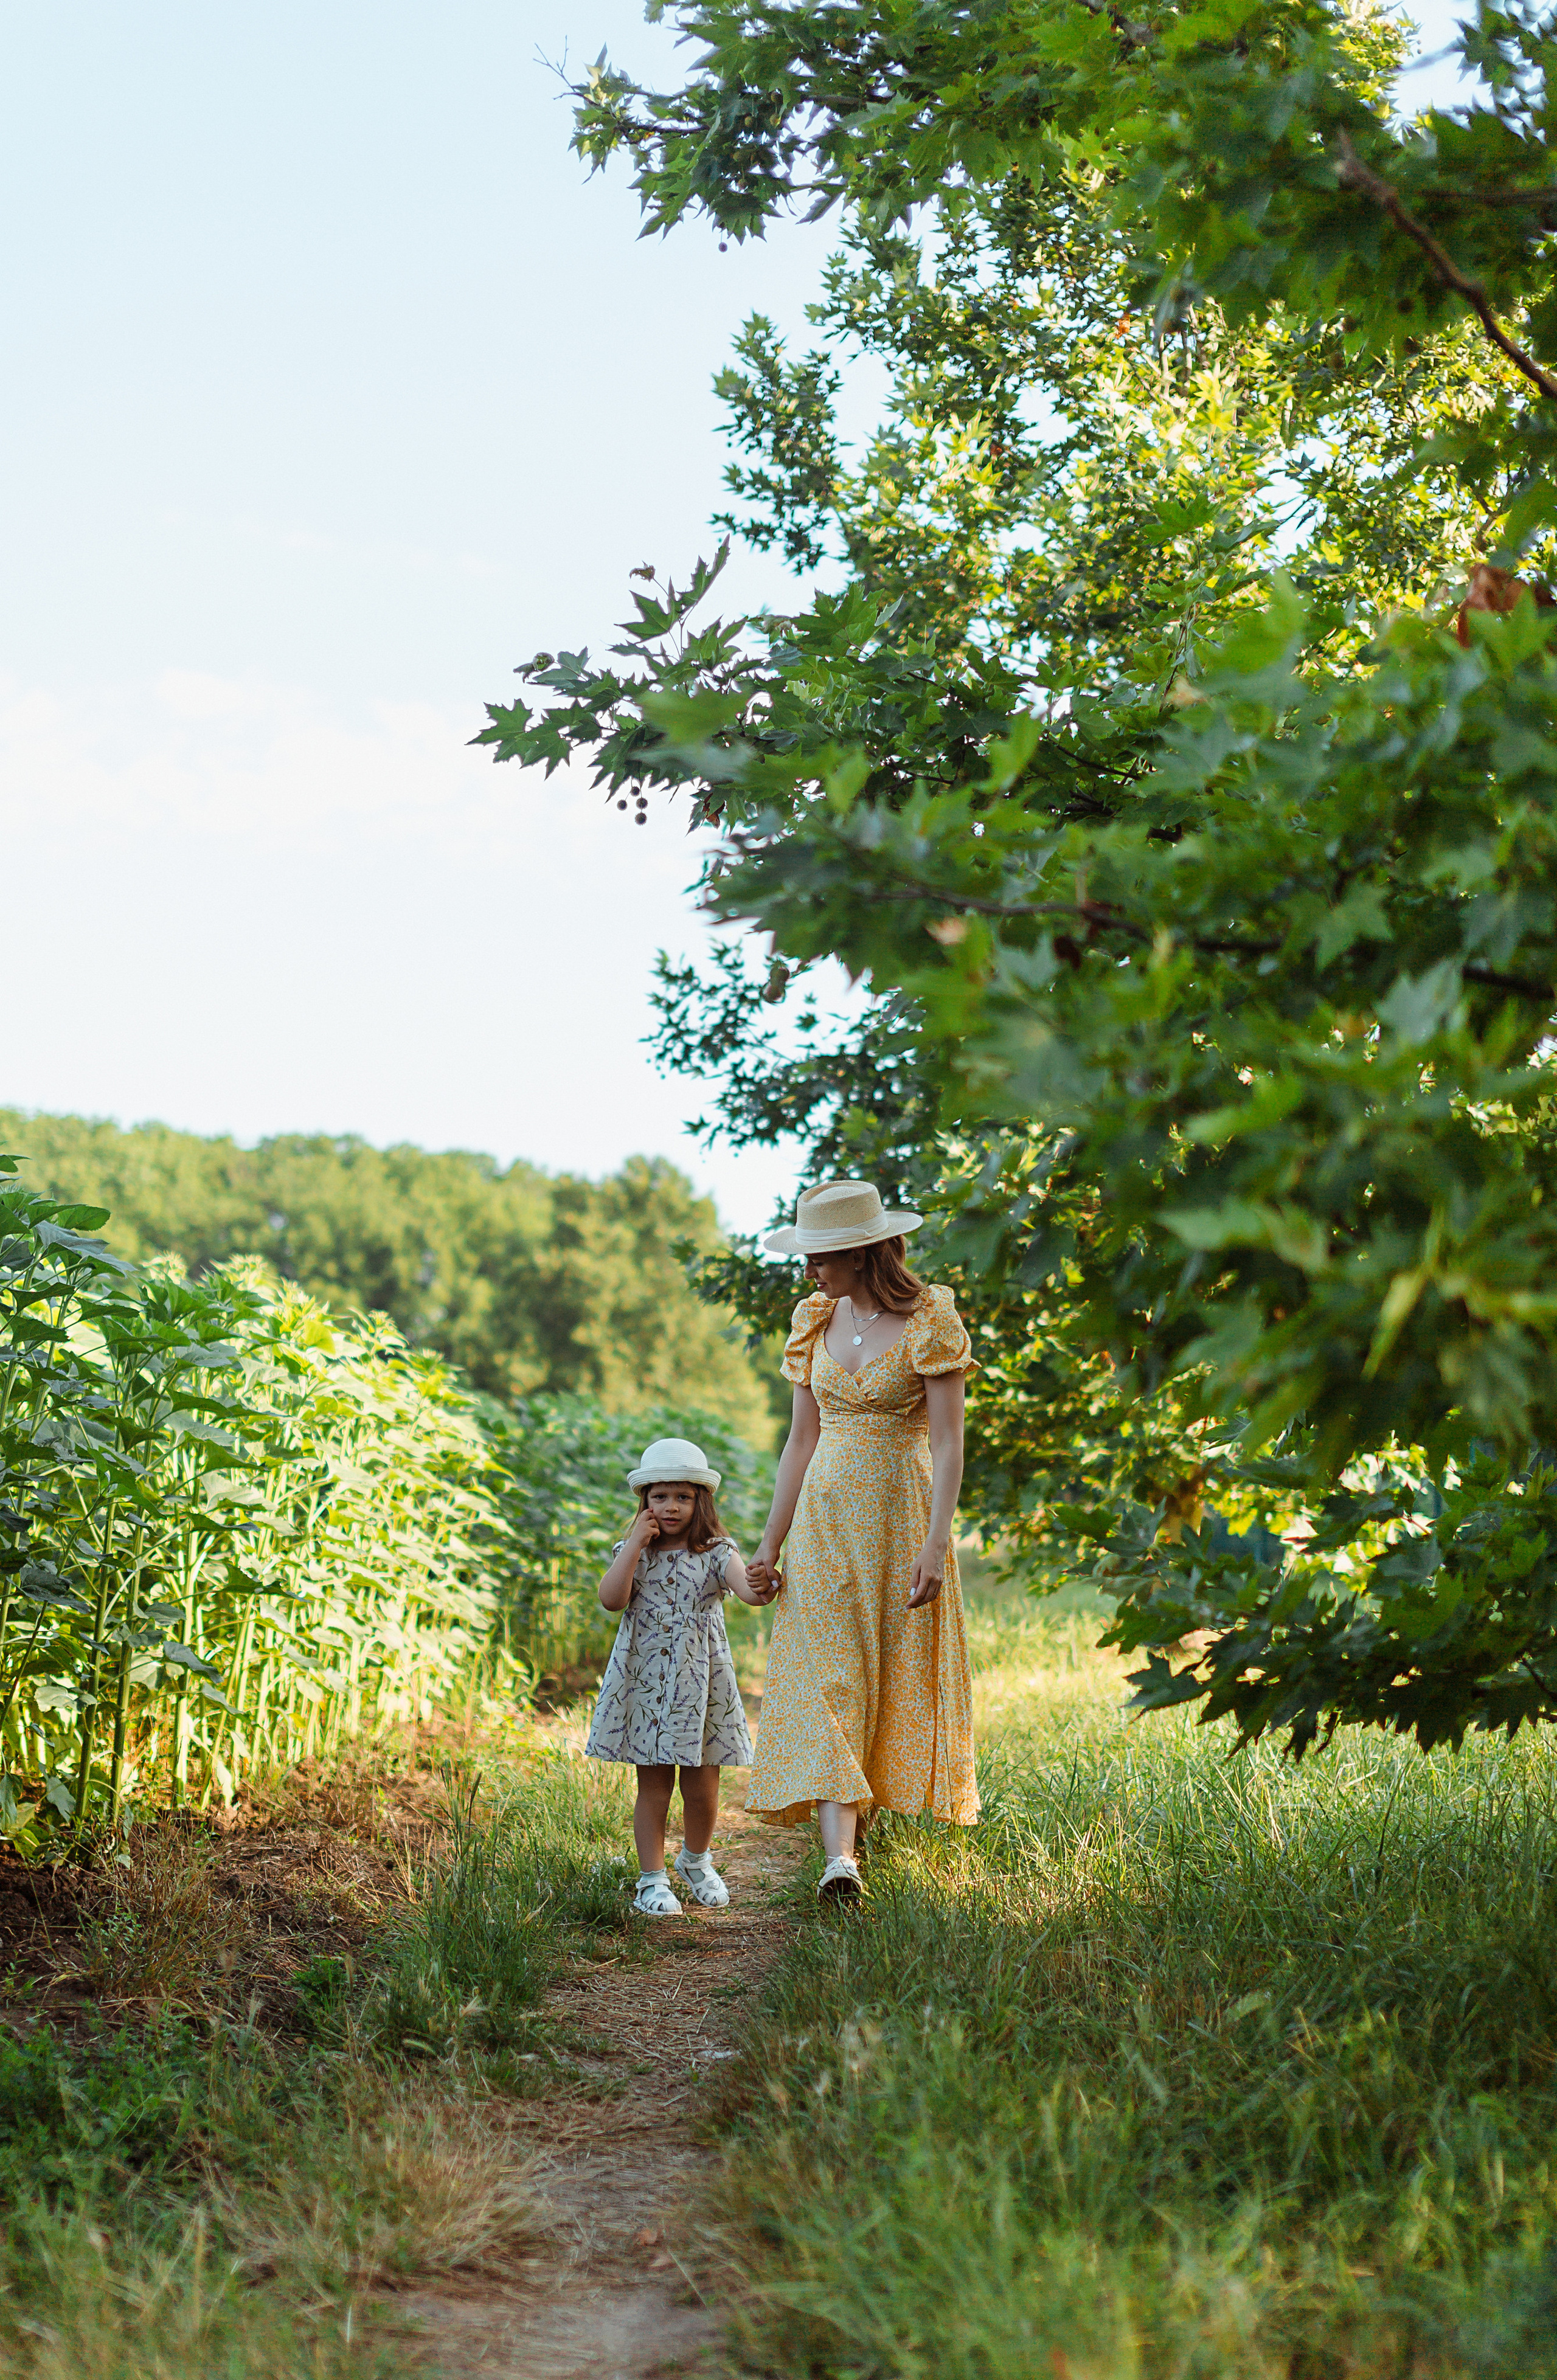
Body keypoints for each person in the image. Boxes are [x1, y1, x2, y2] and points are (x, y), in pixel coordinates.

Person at [744, 1178, 980, 1902]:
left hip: (900, 1520)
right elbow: (800, 1439)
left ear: (858, 1251)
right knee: (829, 1676)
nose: (809, 1269)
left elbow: (947, 1444)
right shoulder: (812, 1319)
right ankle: (838, 1859)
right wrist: (768, 1545)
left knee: (888, 1674)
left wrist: (936, 1544)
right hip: (822, 1524)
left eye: (819, 1256)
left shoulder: (928, 1320)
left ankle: (859, 1832)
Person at [587, 1435, 777, 1917]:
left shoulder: (716, 1552)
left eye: (683, 1497)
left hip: (700, 1687)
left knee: (702, 1785)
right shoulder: (635, 1552)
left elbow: (751, 1595)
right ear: (645, 1501)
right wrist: (634, 1543)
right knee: (653, 1785)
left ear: (701, 1501)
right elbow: (612, 1599)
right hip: (646, 1684)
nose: (671, 1507)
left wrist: (764, 1582)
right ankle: (651, 1880)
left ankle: (695, 1860)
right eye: (660, 1496)